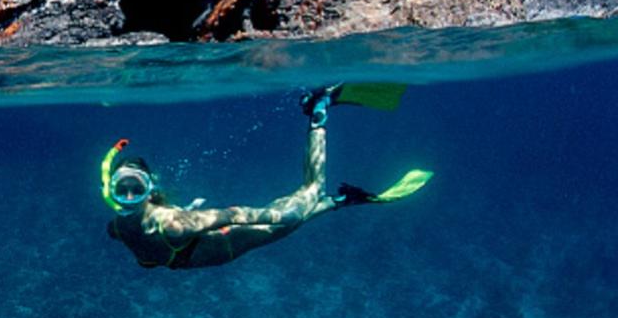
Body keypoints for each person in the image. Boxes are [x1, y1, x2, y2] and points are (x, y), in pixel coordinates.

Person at [102, 83, 432, 270]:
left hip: (228, 241)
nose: (128, 196)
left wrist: (279, 216)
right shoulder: (116, 227)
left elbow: (231, 215)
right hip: (202, 244)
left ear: (149, 190)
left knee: (308, 193)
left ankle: (319, 111)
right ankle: (340, 199)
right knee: (304, 210)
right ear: (113, 193)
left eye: (135, 188)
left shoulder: (175, 225)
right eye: (123, 190)